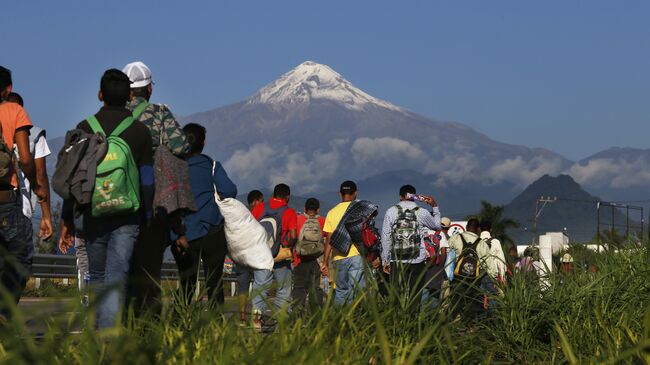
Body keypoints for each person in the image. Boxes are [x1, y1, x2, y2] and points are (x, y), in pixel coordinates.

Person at [59, 69, 154, 329]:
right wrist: (146, 216)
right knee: (117, 275)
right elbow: (147, 180)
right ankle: (108, 339)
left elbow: (73, 178)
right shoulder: (139, 131)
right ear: (128, 97)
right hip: (127, 215)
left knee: (98, 275)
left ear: (100, 95)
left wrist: (67, 217)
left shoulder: (85, 128)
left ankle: (98, 335)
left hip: (92, 212)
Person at [122, 61, 190, 317]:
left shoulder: (113, 116)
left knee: (120, 269)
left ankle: (116, 324)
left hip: (115, 200)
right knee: (149, 270)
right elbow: (181, 146)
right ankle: (147, 330)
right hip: (152, 201)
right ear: (149, 89)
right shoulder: (160, 113)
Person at [171, 123, 237, 307]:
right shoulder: (212, 165)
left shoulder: (174, 169)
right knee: (214, 283)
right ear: (204, 142)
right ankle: (216, 328)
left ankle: (178, 323)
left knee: (186, 283)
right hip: (212, 231)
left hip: (184, 234)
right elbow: (229, 190)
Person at [0, 66, 45, 321]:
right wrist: (35, 186)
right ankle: (4, 314)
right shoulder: (14, 110)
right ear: (8, 89)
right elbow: (26, 159)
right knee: (20, 260)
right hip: (6, 199)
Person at [381, 185, 441, 309]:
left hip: (396, 260)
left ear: (400, 196)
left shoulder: (391, 211)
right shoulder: (422, 211)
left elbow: (385, 237)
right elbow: (437, 226)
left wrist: (385, 260)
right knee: (415, 294)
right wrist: (434, 206)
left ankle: (395, 323)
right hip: (417, 259)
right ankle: (412, 322)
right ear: (414, 197)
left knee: (396, 295)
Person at [5, 92, 53, 241]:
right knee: (20, 260)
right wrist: (46, 215)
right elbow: (41, 176)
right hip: (22, 208)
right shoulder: (35, 135)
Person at [250, 184, 298, 329]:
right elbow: (294, 235)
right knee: (283, 288)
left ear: (273, 194)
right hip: (280, 255)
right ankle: (281, 320)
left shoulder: (259, 208)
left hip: (261, 254)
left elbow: (250, 228)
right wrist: (288, 247)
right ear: (287, 197)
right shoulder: (289, 211)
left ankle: (257, 320)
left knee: (260, 287)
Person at [321, 181, 365, 306]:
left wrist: (325, 262)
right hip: (357, 255)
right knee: (356, 290)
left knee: (340, 291)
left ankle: (340, 321)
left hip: (338, 257)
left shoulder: (331, 212)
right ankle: (354, 318)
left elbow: (329, 240)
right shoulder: (360, 210)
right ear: (355, 193)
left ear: (340, 194)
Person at [447, 218, 492, 319]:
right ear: (478, 229)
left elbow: (447, 254)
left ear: (466, 227)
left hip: (457, 277)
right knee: (472, 303)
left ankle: (452, 324)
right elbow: (488, 265)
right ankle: (469, 324)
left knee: (455, 302)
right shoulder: (482, 244)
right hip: (474, 280)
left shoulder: (455, 238)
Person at [292, 198, 326, 316]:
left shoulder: (297, 219)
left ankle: (297, 317)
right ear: (318, 209)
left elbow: (293, 236)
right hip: (315, 261)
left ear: (305, 209)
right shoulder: (322, 221)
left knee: (299, 288)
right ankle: (315, 316)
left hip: (299, 260)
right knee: (315, 288)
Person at [235, 190, 263, 323]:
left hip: (241, 256)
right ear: (256, 201)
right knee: (260, 285)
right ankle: (257, 318)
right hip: (256, 257)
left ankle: (242, 317)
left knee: (242, 287)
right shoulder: (261, 216)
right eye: (261, 201)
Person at [478, 219, 507, 311]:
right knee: (493, 299)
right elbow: (501, 262)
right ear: (491, 229)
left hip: (479, 275)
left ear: (479, 229)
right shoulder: (495, 242)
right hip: (492, 276)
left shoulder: (476, 241)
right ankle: (493, 321)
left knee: (480, 299)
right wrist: (503, 278)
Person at [422, 217, 451, 308]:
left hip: (422, 265)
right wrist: (440, 268)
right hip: (435, 267)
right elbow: (443, 252)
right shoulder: (439, 233)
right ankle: (432, 318)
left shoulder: (421, 231)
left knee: (423, 294)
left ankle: (420, 318)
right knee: (434, 297)